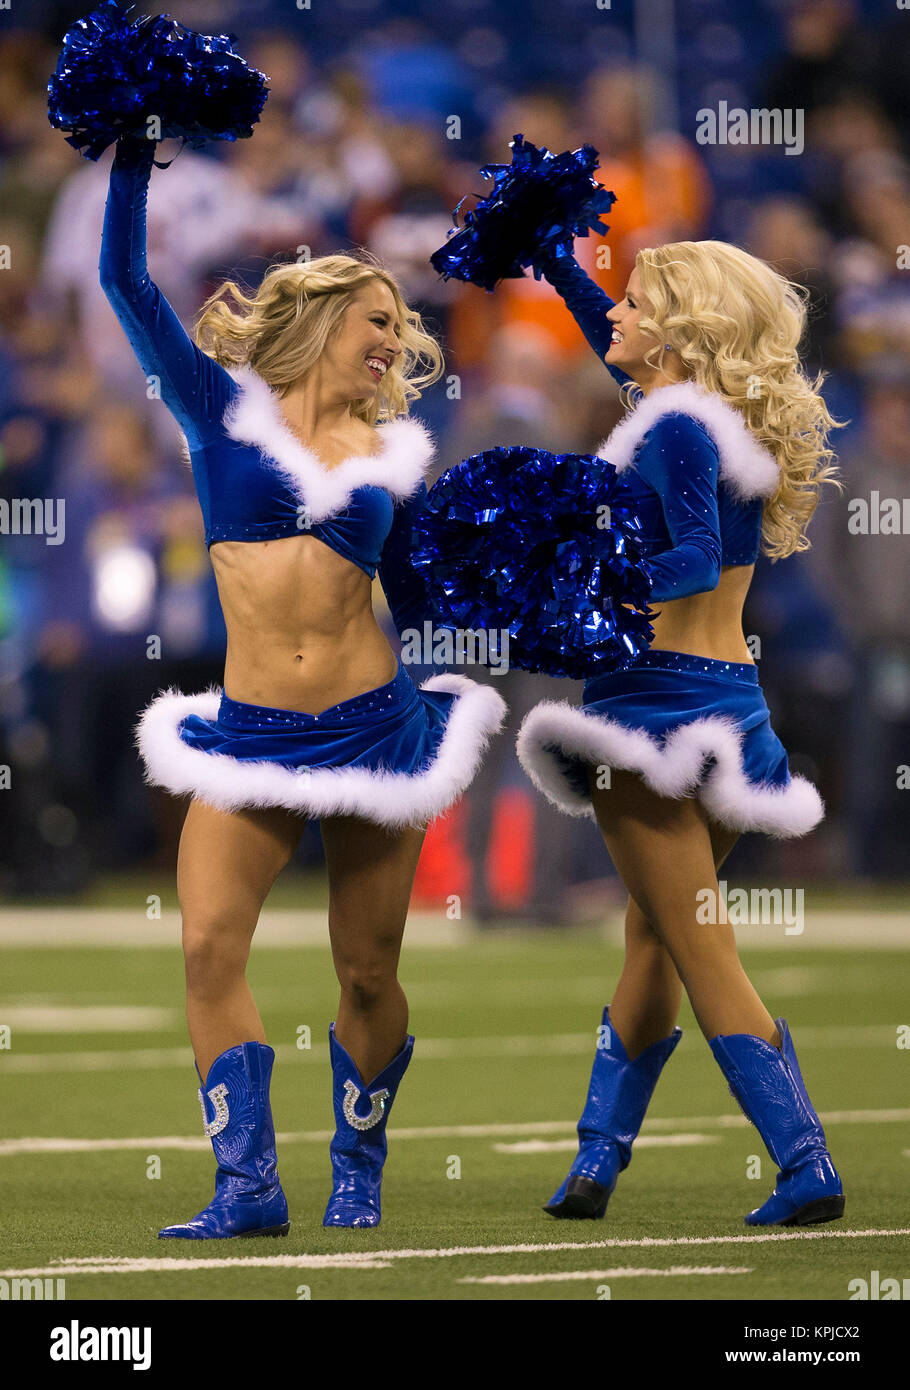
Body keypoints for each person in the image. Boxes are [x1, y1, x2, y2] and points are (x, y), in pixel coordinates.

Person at [98, 133, 506, 1236]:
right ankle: (247, 1185)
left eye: (401, 326)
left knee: (367, 973)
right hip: (249, 734)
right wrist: (137, 151)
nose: (394, 339)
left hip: (373, 731)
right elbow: (125, 282)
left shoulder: (393, 457)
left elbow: (424, 606)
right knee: (203, 943)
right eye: (378, 319)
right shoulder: (214, 410)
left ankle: (358, 1166)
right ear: (325, 318)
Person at [511, 239, 845, 1226]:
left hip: (652, 707)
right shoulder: (708, 418)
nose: (609, 313)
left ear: (678, 331)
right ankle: (594, 1165)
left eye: (630, 302)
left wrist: (578, 588)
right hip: (728, 702)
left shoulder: (670, 428)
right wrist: (548, 257)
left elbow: (692, 560)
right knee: (654, 941)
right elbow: (617, 350)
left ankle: (804, 1161)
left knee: (698, 948)